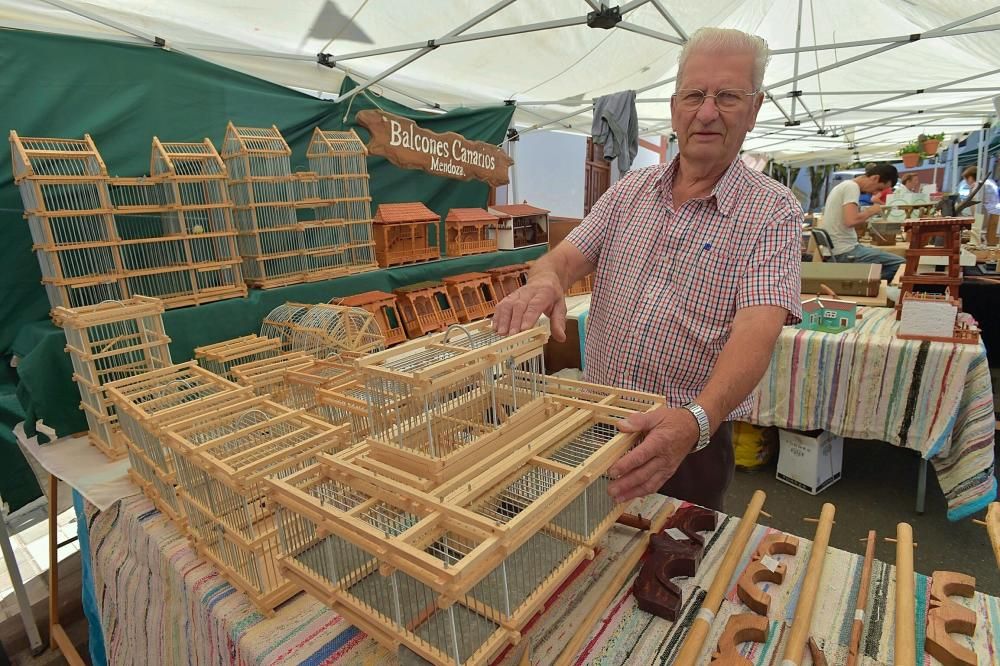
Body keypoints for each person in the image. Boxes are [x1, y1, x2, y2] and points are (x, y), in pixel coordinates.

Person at [492, 27, 802, 511]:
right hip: (595, 417)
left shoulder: (773, 211)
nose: (706, 112)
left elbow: (756, 333)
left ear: (755, 108)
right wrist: (547, 277)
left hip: (685, 437)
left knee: (671, 559)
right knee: (585, 551)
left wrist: (698, 420)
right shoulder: (630, 190)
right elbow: (566, 257)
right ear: (676, 105)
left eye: (727, 97)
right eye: (695, 95)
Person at [820, 163, 903, 281]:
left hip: (839, 249)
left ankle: (866, 283)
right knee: (900, 264)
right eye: (879, 188)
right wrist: (872, 210)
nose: (875, 193)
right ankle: (865, 284)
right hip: (844, 252)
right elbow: (851, 220)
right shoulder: (851, 187)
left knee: (885, 259)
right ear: (875, 178)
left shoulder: (843, 186)